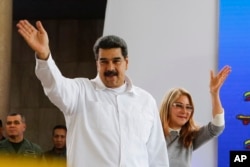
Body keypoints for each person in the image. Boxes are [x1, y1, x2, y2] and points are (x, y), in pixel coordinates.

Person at [16, 20, 169, 167]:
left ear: (126, 62)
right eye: (104, 61)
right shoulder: (80, 92)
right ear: (97, 64)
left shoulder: (146, 101)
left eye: (116, 61)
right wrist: (44, 55)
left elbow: (157, 155)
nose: (110, 67)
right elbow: (55, 85)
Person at [159, 65, 231, 167]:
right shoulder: (153, 132)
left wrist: (214, 93)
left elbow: (217, 127)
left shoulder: (188, 137)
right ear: (167, 107)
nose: (184, 111)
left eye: (188, 107)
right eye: (179, 105)